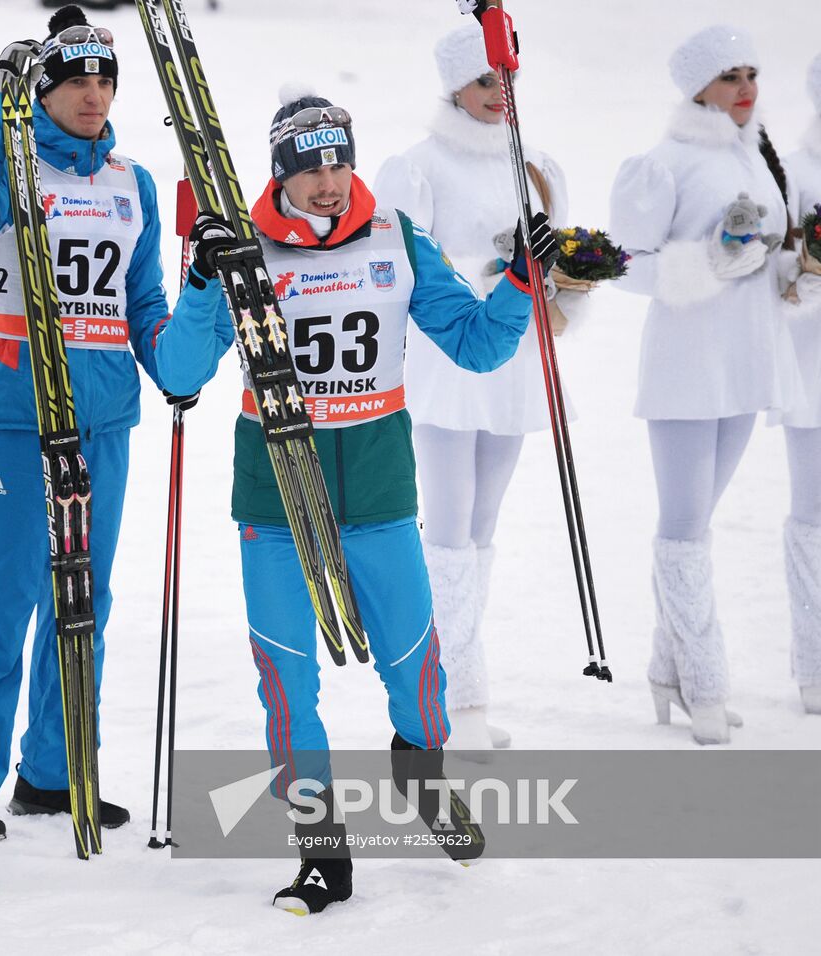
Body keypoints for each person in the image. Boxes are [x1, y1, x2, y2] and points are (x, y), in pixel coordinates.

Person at [165, 85, 556, 914]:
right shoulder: (245, 247)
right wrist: (202, 277)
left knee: (417, 668)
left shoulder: (396, 237)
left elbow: (479, 345)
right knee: (286, 681)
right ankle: (320, 848)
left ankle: (422, 778)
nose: (330, 180)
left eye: (339, 160)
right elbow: (177, 374)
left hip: (377, 492)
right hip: (275, 500)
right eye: (310, 168)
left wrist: (523, 279)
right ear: (280, 176)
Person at [0, 4, 227, 841]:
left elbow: (145, 307)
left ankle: (54, 774)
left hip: (106, 418)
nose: (94, 95)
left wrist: (199, 314)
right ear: (44, 93)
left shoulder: (134, 182)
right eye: (75, 81)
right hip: (20, 416)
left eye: (105, 79)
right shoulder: (15, 166)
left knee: (82, 601)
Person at [374, 24, 571, 753]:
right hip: (447, 361)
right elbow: (402, 265)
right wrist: (490, 273)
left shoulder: (536, 163)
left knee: (483, 531)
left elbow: (554, 262)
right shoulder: (418, 166)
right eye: (486, 81)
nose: (499, 94)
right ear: (455, 85)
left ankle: (464, 675)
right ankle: (452, 692)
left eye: (507, 79)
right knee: (449, 531)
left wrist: (558, 274)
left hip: (514, 359)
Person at [609, 25, 796, 744]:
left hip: (745, 361)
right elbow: (623, 264)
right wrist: (710, 264)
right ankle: (706, 681)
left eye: (751, 73)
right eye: (729, 76)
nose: (746, 88)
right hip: (687, 364)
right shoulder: (662, 165)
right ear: (696, 87)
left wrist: (793, 270)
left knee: (699, 524)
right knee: (683, 527)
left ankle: (669, 668)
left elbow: (764, 256)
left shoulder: (753, 157)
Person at [780, 52, 821, 716]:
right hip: (814, 364)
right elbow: (783, 282)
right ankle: (814, 661)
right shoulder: (796, 173)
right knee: (814, 513)